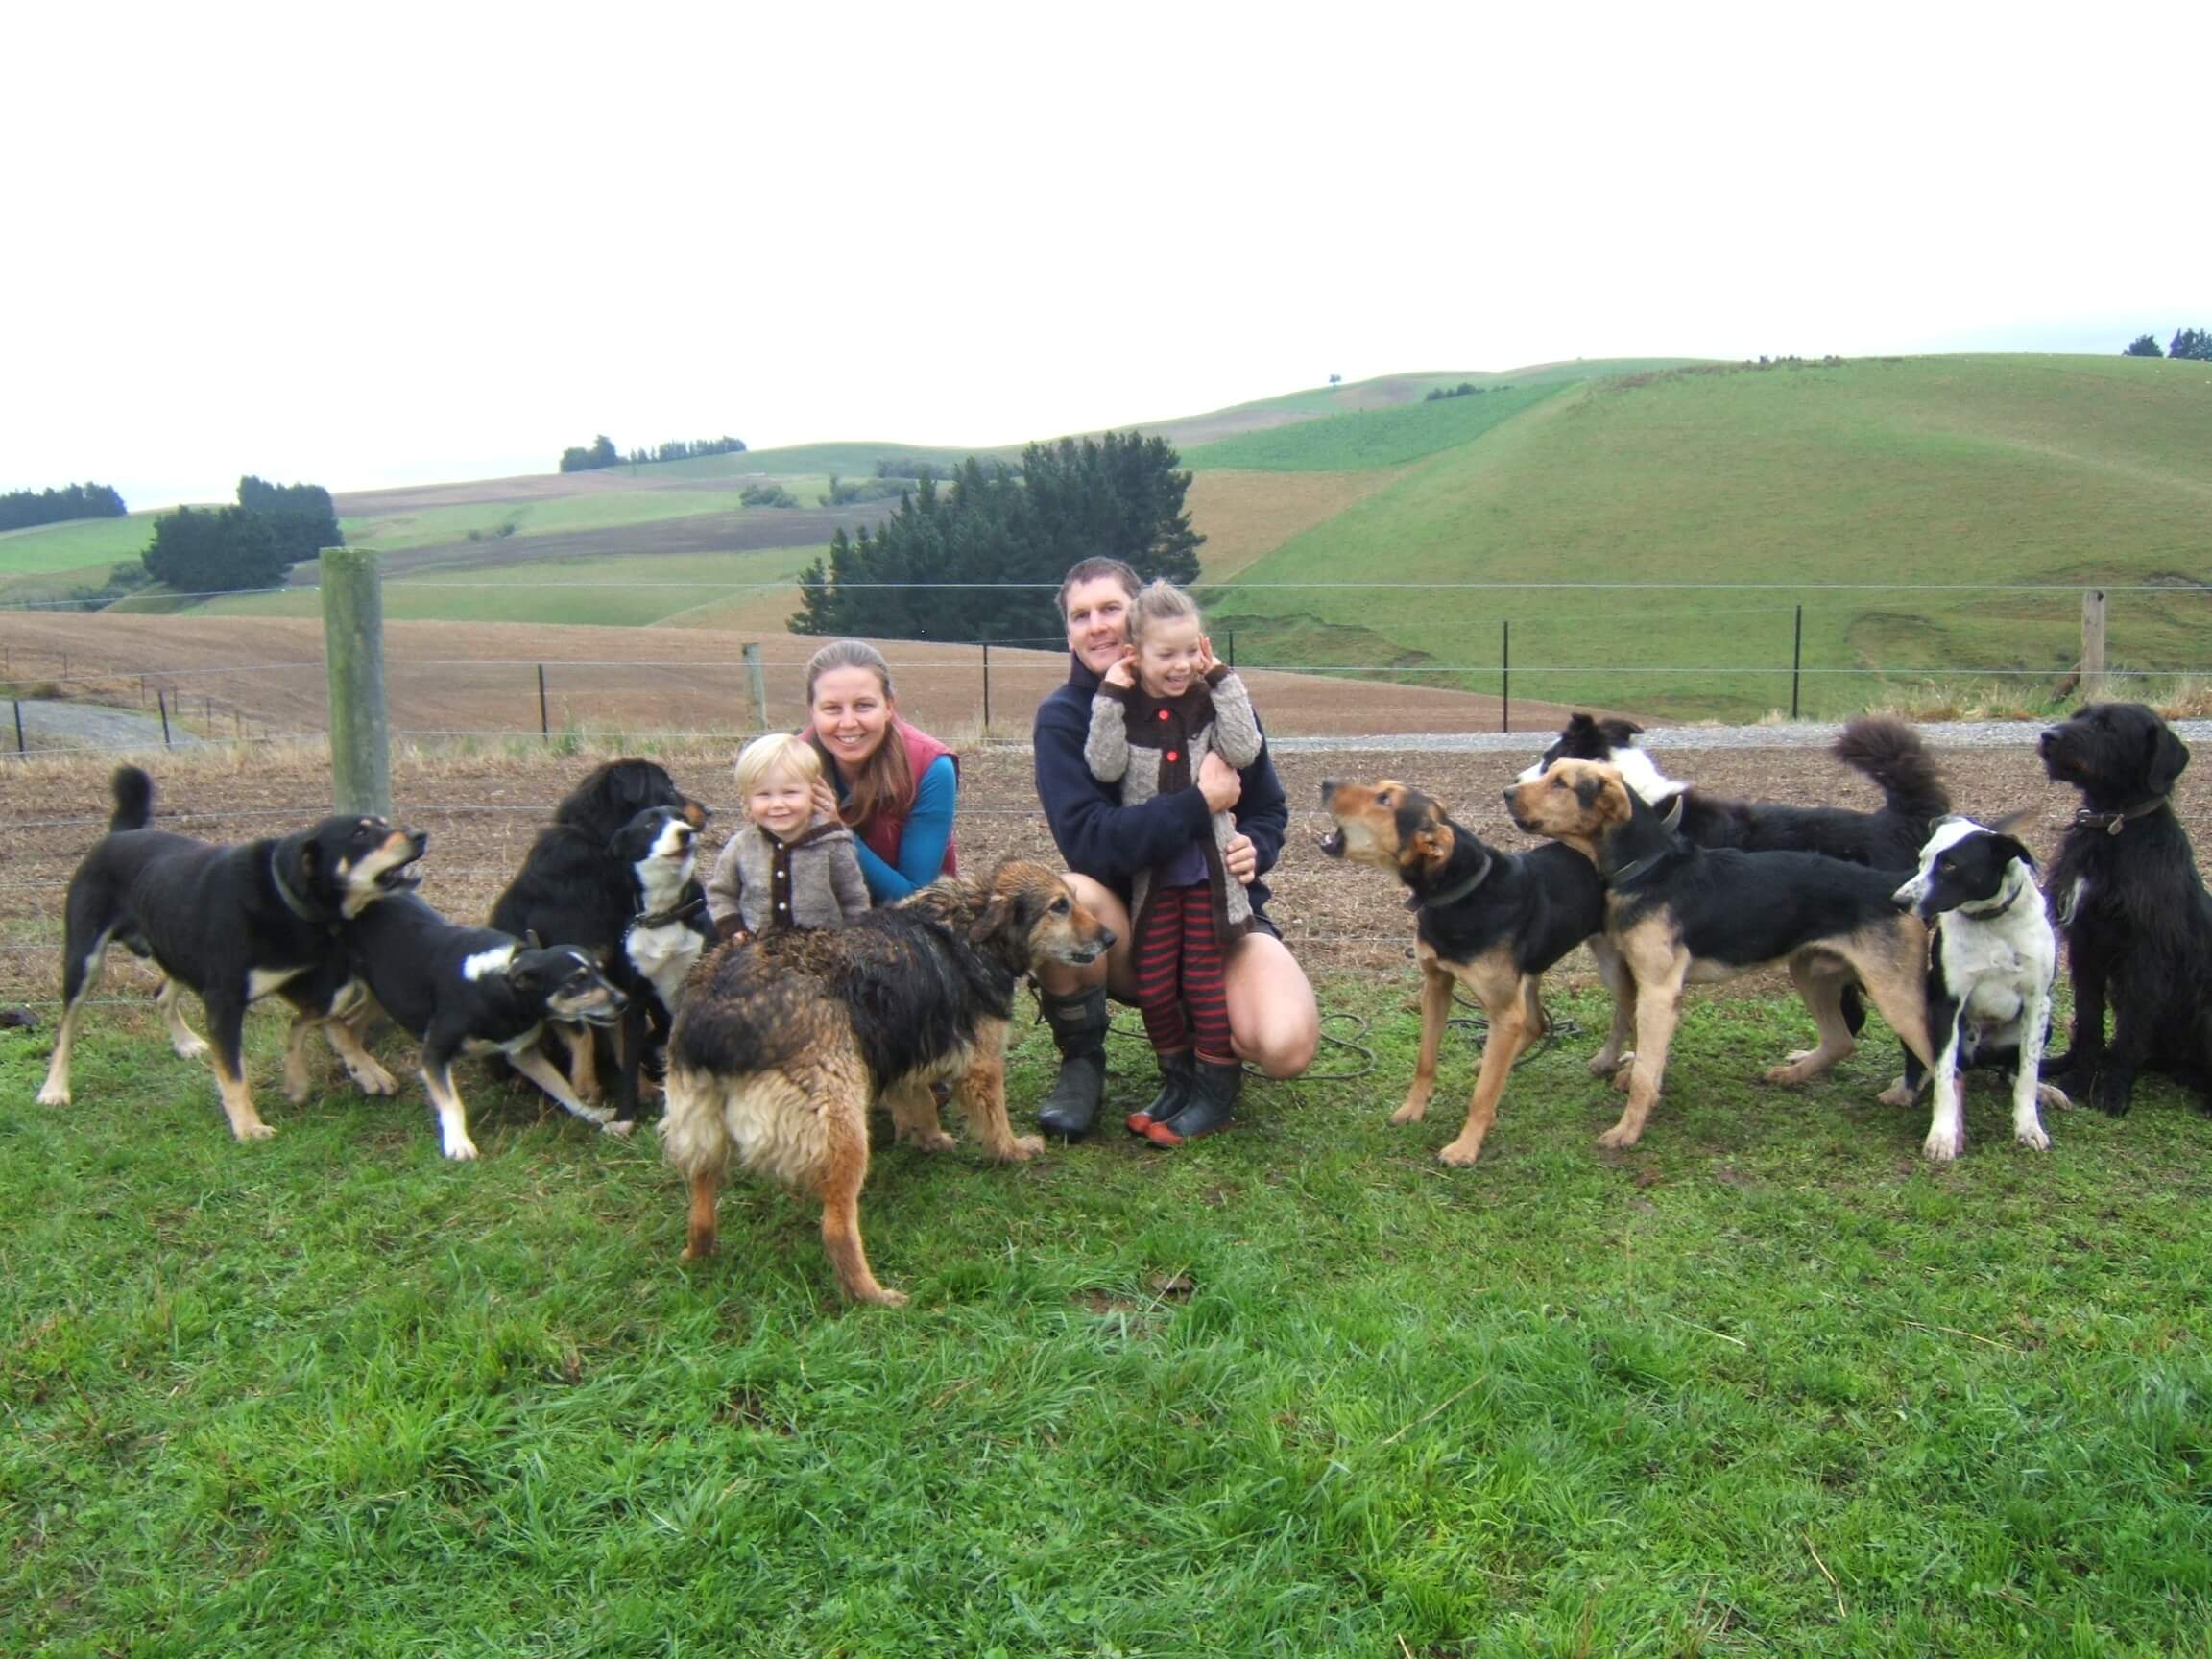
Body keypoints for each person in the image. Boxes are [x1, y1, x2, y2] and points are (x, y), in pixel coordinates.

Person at [1033, 558, 1319, 1141]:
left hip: (1218, 914)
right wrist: (1199, 803)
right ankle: (1082, 1064)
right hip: (1134, 922)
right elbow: (1091, 844)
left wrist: (1254, 848)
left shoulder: (1214, 696)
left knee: (1287, 1047)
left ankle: (1211, 1058)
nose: (1097, 626)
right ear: (1067, 632)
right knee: (1065, 896)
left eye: (1110, 608)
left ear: (1138, 616)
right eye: (1080, 616)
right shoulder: (1065, 719)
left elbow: (1267, 807)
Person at [1084, 580, 1265, 1144]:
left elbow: (1243, 750)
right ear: (1136, 655)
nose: (1182, 664)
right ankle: (1177, 1081)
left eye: (1192, 651)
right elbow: (1105, 766)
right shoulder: (1127, 707)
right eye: (1167, 654)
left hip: (1209, 881)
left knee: (1204, 985)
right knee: (1157, 984)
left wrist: (1224, 680)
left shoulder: (1209, 700)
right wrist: (1110, 697)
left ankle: (1215, 1093)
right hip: (1157, 883)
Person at [802, 639, 959, 902]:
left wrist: (836, 830)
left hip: (908, 932)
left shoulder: (931, 767)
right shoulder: (789, 765)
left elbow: (915, 898)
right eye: (832, 708)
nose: (848, 722)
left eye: (863, 705)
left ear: (889, 706)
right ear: (812, 711)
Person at [704, 732, 869, 943]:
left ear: (814, 792)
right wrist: (733, 927)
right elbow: (721, 893)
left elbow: (854, 900)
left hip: (822, 957)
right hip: (756, 953)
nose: (777, 804)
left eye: (790, 792)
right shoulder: (742, 846)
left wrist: (855, 939)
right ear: (747, 800)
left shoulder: (834, 845)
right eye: (764, 795)